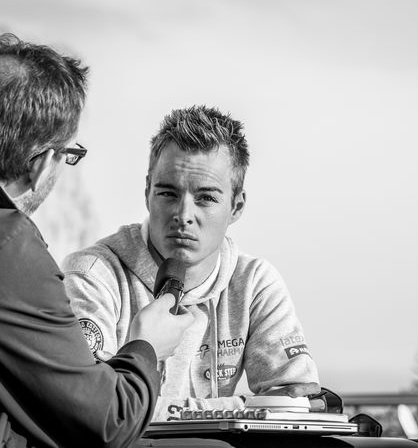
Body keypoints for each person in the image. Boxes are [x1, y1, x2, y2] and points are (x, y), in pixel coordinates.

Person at [63, 105, 321, 422]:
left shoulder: (254, 283)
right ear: (147, 192)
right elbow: (95, 410)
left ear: (237, 206)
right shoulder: (92, 275)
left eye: (206, 198)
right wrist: (241, 407)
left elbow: (296, 403)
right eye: (168, 193)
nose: (184, 215)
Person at [0, 33, 193, 447]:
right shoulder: (11, 249)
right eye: (69, 155)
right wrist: (146, 346)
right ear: (43, 162)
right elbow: (110, 423)